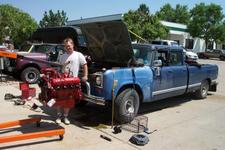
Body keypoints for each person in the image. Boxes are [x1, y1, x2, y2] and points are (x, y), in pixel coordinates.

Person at [56, 37, 88, 125]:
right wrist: (62, 66)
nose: (68, 47)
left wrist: (85, 75)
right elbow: (59, 67)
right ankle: (59, 116)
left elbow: (85, 65)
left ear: (73, 45)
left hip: (73, 82)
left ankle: (65, 117)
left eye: (69, 46)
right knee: (59, 99)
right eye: (66, 46)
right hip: (62, 81)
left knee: (68, 100)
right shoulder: (62, 56)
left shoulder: (78, 55)